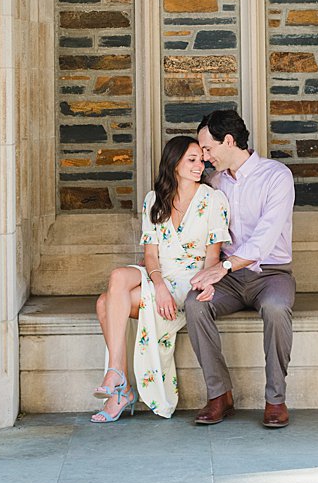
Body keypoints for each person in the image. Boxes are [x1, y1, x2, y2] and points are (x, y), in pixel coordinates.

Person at [91, 135, 230, 421]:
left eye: (201, 159)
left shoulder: (213, 199)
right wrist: (159, 285)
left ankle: (120, 386)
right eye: (192, 160)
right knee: (118, 276)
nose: (200, 165)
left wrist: (207, 284)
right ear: (174, 163)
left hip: (188, 279)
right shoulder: (154, 199)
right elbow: (151, 255)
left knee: (105, 304)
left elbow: (213, 256)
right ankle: (117, 372)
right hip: (159, 275)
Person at [185, 108, 298, 428]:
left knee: (276, 308)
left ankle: (276, 399)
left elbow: (264, 239)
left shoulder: (276, 175)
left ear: (230, 141)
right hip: (230, 278)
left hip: (272, 273)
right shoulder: (213, 181)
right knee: (195, 305)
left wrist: (222, 268)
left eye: (207, 149)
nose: (204, 157)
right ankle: (219, 395)